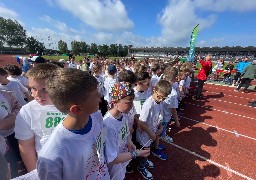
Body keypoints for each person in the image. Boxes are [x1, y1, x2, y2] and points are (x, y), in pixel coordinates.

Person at [37, 68, 110, 179]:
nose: (100, 98)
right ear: (77, 109)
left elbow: (101, 150)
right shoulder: (51, 155)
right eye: (95, 95)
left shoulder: (97, 116)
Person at [14, 63, 62, 172]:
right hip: (49, 169)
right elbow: (26, 145)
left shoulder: (75, 105)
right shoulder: (27, 111)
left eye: (44, 89)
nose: (37, 94)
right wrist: (35, 174)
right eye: (33, 88)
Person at [103, 82, 150, 180]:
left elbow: (125, 129)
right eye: (128, 102)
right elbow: (113, 159)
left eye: (132, 102)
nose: (132, 106)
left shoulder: (123, 114)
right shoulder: (108, 125)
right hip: (114, 167)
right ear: (115, 102)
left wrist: (129, 141)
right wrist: (137, 153)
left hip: (123, 158)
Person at [136, 80, 171, 180]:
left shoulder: (159, 102)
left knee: (147, 149)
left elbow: (159, 115)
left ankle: (145, 160)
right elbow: (141, 122)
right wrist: (151, 133)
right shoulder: (148, 104)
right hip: (145, 133)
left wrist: (160, 127)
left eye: (163, 98)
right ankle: (141, 167)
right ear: (154, 90)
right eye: (159, 97)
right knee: (145, 151)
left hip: (152, 132)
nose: (160, 100)